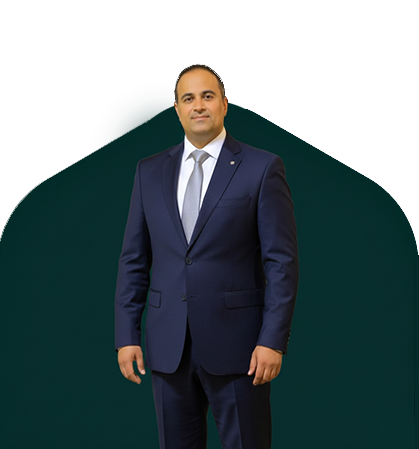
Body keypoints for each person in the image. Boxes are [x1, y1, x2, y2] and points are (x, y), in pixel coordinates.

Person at [114, 65, 299, 449]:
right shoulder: (148, 171)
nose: (198, 105)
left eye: (207, 96)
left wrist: (273, 340)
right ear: (178, 110)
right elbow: (134, 259)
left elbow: (282, 263)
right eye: (189, 98)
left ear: (225, 104)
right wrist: (126, 335)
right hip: (168, 347)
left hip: (241, 349)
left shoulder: (262, 168)